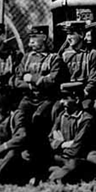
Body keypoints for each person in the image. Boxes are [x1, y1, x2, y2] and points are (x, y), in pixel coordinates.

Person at [14, 25, 67, 181]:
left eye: (33, 39)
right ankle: (20, 159)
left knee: (38, 120)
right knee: (20, 117)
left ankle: (41, 164)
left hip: (47, 98)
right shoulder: (27, 57)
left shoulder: (54, 58)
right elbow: (17, 80)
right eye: (30, 39)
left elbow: (52, 81)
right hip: (29, 97)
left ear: (43, 37)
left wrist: (32, 78)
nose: (30, 43)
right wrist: (33, 83)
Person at [48, 82, 96, 183]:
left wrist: (58, 146)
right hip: (61, 155)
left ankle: (55, 175)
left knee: (73, 165)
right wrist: (63, 144)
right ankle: (58, 172)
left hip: (78, 158)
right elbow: (49, 139)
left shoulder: (86, 119)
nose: (61, 102)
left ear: (77, 100)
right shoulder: (62, 115)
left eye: (66, 98)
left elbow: (76, 149)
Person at [59, 21, 96, 115]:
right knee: (56, 108)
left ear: (81, 35)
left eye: (72, 34)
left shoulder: (92, 54)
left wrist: (84, 93)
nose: (68, 38)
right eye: (67, 34)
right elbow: (62, 77)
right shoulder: (65, 54)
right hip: (70, 94)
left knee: (93, 107)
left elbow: (94, 80)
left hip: (89, 93)